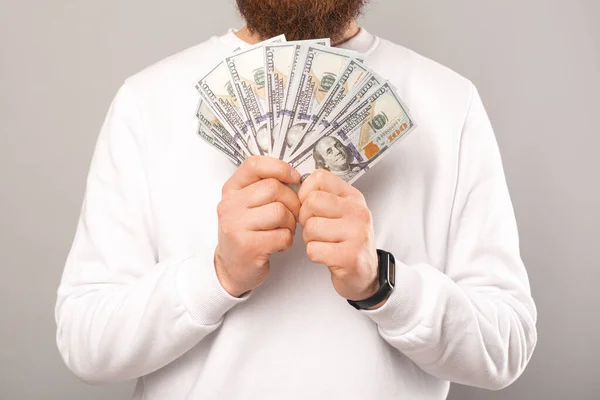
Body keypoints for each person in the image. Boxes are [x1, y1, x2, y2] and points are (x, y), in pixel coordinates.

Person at [54, 0, 538, 399]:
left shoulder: (450, 102)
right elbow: (85, 343)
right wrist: (217, 275)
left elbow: (506, 347)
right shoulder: (146, 102)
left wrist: (381, 284)